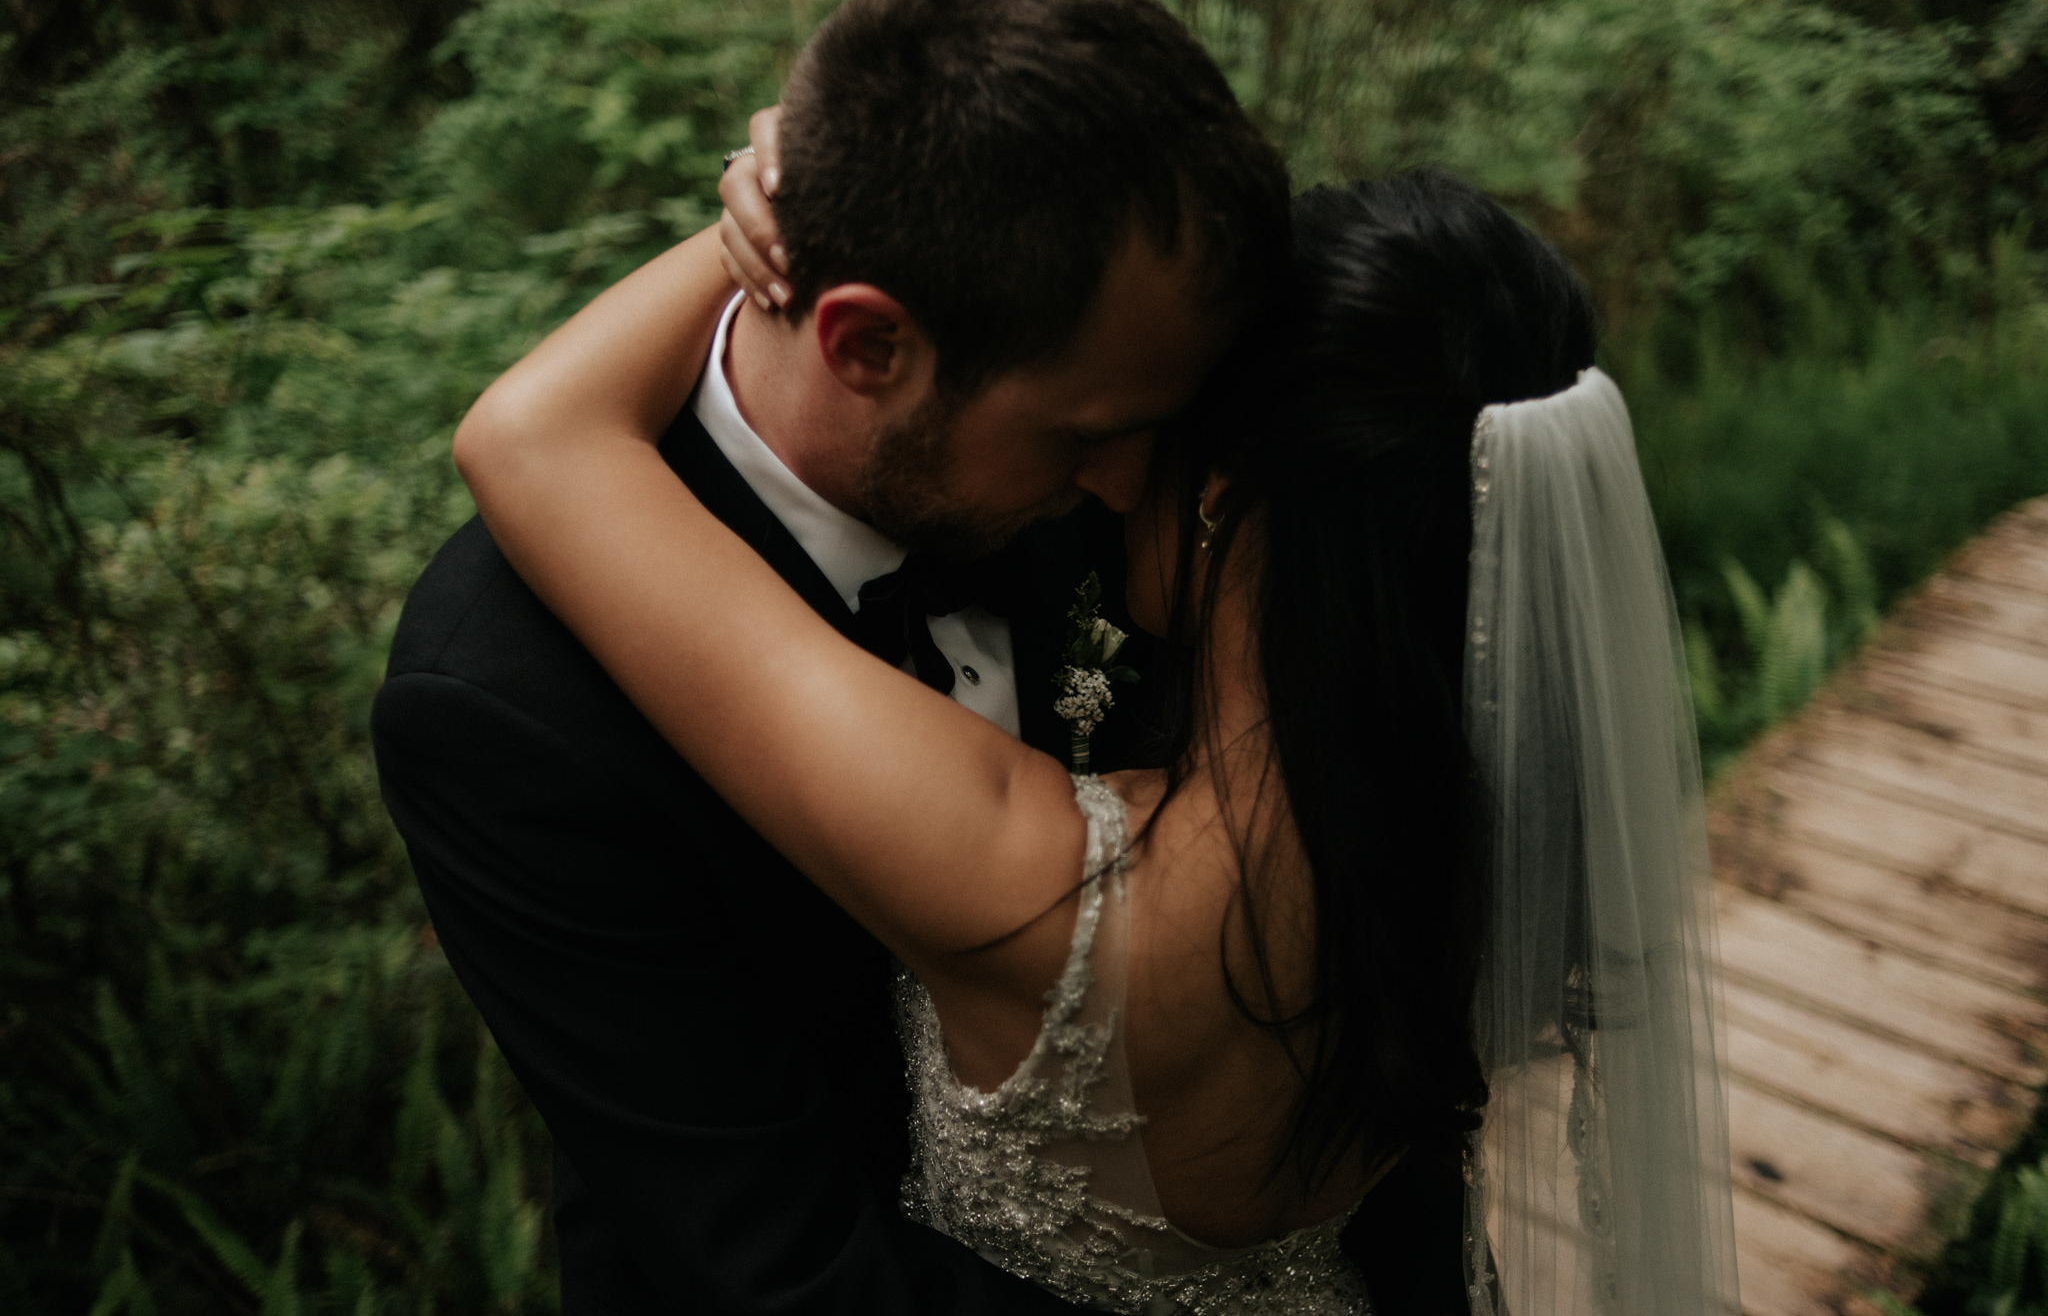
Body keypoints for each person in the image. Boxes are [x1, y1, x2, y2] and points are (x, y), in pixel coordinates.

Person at [452, 147, 1744, 1315]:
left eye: (1154, 432)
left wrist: (835, 187)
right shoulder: (1482, 843)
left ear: (1225, 495)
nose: (1111, 473)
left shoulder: (1037, 886)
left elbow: (535, 439)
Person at [373, 0, 1466, 1312]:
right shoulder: (506, 693)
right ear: (867, 345)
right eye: (1089, 439)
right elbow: (778, 1265)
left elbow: (1356, 953)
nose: (1139, 485)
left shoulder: (1126, 451)